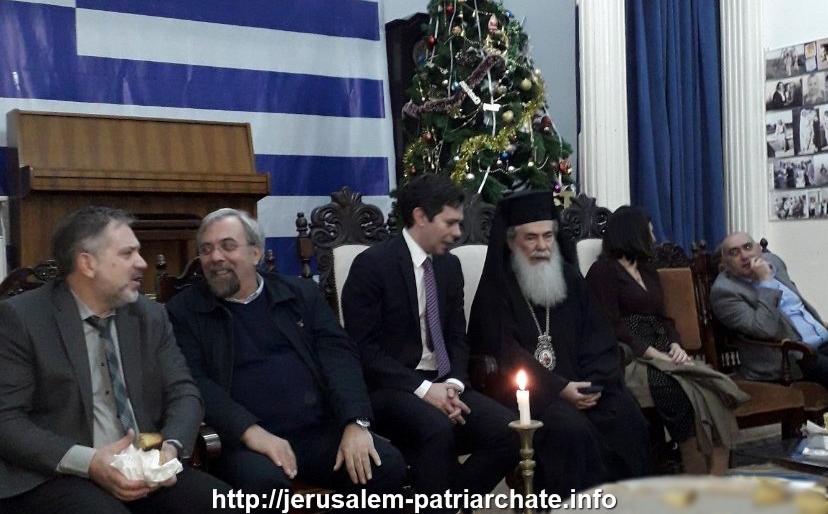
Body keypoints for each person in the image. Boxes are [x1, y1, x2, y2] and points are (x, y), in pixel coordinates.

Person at [166, 208, 406, 511]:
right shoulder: (184, 311)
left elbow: (340, 357)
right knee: (266, 488)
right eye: (206, 249)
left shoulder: (300, 294)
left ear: (255, 253)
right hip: (245, 443)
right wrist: (250, 432)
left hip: (316, 431)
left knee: (385, 466)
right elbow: (195, 382)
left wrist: (355, 422)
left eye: (228, 246)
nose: (215, 257)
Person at [0, 206, 231, 513]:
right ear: (88, 263)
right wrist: (89, 461)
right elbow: (7, 420)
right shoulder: (22, 318)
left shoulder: (150, 316)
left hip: (144, 462)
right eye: (127, 253)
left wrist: (170, 447)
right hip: (60, 472)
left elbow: (184, 392)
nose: (142, 262)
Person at [340, 174, 518, 512]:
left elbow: (457, 337)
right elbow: (364, 350)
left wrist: (454, 383)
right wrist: (424, 390)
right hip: (391, 387)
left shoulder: (449, 266)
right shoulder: (372, 266)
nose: (457, 232)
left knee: (508, 432)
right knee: (436, 429)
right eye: (450, 223)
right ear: (421, 216)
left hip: (443, 382)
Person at [467, 191, 651, 497]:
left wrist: (593, 384)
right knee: (570, 431)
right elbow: (503, 352)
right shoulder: (497, 287)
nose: (542, 246)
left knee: (626, 417)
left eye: (548, 236)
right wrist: (559, 388)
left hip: (582, 387)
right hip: (531, 395)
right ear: (511, 241)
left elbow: (597, 335)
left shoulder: (569, 278)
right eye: (531, 238)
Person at [585, 206, 744, 476]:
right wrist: (652, 353)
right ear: (633, 234)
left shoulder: (648, 270)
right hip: (629, 356)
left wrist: (675, 345)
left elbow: (664, 318)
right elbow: (609, 325)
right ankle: (691, 462)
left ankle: (718, 475)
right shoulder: (603, 271)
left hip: (663, 347)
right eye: (649, 232)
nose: (654, 237)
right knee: (675, 387)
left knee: (710, 385)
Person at [711, 232, 828, 385]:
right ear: (725, 264)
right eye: (734, 253)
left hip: (822, 342)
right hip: (790, 358)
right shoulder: (724, 293)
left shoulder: (774, 262)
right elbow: (765, 329)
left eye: (748, 247)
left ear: (759, 249)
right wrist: (766, 281)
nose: (744, 256)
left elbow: (797, 307)